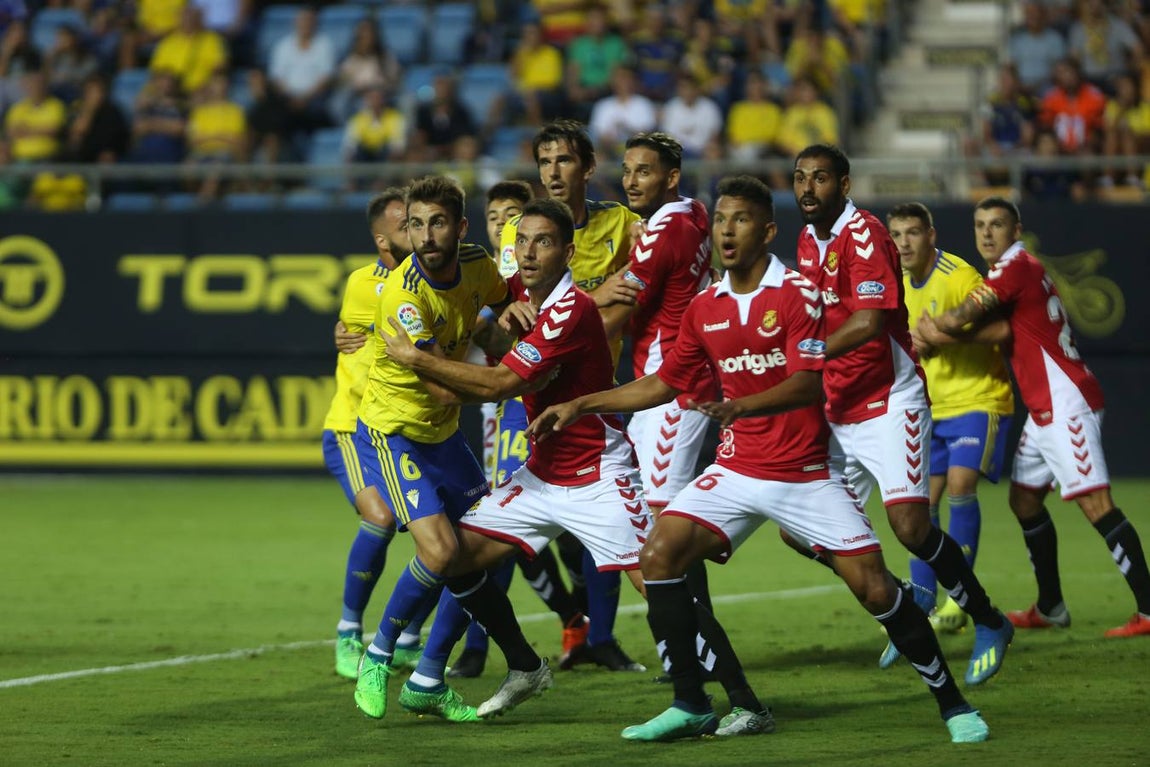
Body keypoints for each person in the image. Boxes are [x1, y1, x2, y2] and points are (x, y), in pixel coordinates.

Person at [529, 176, 990, 744]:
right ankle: (692, 701)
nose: (726, 229)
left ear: (767, 231)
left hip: (804, 475)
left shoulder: (799, 295)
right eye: (720, 219)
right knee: (658, 554)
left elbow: (808, 384)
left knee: (874, 588)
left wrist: (739, 404)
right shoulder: (704, 308)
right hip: (736, 471)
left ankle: (952, 702)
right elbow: (665, 383)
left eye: (741, 219)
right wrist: (581, 403)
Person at [791, 144, 1013, 682]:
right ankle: (904, 605)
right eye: (800, 178)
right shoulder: (805, 241)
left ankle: (988, 618)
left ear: (843, 185)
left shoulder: (865, 234)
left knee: (911, 526)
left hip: (889, 399)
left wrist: (812, 351)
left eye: (820, 178)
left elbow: (870, 321)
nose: (807, 188)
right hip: (837, 406)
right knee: (800, 531)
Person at [352, 176, 550, 723]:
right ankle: (377, 654)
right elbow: (441, 385)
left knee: (482, 548)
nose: (426, 234)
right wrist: (508, 380)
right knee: (441, 553)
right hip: (397, 432)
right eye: (416, 224)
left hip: (444, 435)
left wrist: (506, 322)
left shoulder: (479, 265)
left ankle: (428, 678)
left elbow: (508, 304)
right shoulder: (403, 295)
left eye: (437, 222)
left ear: (460, 227)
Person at [917, 196, 1150, 639]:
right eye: (980, 225)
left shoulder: (1014, 266)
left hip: (1066, 405)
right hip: (1042, 413)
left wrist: (933, 329)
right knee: (1023, 501)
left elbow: (967, 314)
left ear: (1016, 230)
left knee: (1096, 505)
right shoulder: (1009, 274)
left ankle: (1149, 609)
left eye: (997, 224)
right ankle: (1051, 606)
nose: (987, 233)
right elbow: (1001, 330)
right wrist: (943, 339)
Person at [498, 119, 644, 672]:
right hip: (530, 390)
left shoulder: (622, 225)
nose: (553, 172)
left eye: (563, 160)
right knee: (518, 528)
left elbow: (644, 288)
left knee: (602, 530)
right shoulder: (522, 231)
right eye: (544, 161)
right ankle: (471, 649)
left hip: (593, 392)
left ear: (588, 167)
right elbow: (506, 302)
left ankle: (599, 638)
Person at [447, 179, 585, 680]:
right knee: (500, 527)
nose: (505, 226)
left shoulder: (531, 282)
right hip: (496, 412)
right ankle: (481, 645)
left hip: (524, 399)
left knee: (533, 531)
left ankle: (577, 615)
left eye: (514, 216)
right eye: (496, 218)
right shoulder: (483, 275)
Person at [890, 202, 1015, 637]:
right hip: (929, 409)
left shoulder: (960, 276)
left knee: (961, 487)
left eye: (912, 233)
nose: (904, 243)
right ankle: (920, 607)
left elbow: (1003, 330)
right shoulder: (894, 284)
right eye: (897, 235)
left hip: (978, 399)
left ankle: (958, 602)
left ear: (931, 235)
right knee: (919, 509)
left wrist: (947, 335)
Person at [325, 188, 429, 680]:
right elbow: (351, 332)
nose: (415, 227)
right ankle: (348, 632)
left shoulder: (430, 280)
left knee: (444, 535)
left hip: (406, 428)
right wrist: (342, 333)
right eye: (403, 221)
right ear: (381, 237)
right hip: (352, 426)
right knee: (382, 517)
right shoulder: (364, 282)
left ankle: (407, 639)